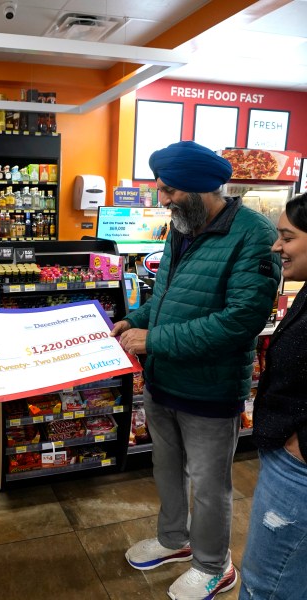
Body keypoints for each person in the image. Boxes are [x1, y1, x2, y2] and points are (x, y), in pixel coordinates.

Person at [111, 141, 281, 599]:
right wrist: (136, 320)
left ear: (201, 189)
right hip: (164, 381)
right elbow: (166, 295)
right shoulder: (180, 227)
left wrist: (155, 340)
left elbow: (241, 320)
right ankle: (174, 541)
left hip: (210, 388)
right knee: (166, 468)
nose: (161, 199)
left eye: (168, 190)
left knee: (210, 486)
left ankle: (214, 565)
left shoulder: (254, 235)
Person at [240, 192, 307, 600]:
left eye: (288, 237)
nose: (276, 246)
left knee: (267, 583)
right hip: (287, 455)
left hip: (297, 472)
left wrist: (299, 448)